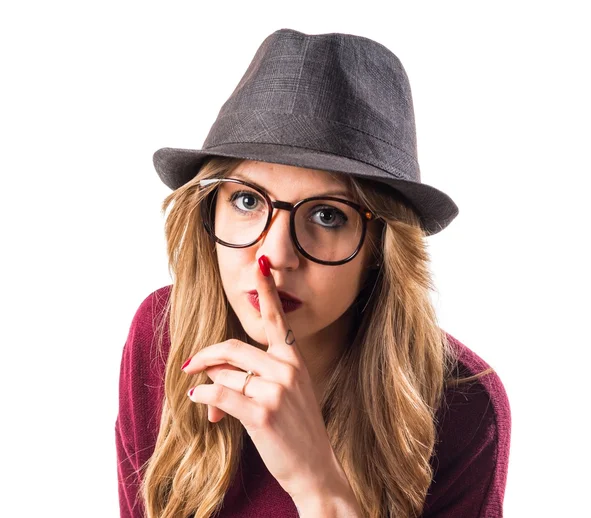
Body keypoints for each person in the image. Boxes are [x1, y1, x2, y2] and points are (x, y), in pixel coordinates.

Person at [116, 29, 511, 518]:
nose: (275, 255)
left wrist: (318, 488)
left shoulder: (464, 406)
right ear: (206, 214)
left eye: (327, 215)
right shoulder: (162, 335)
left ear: (380, 249)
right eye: (245, 200)